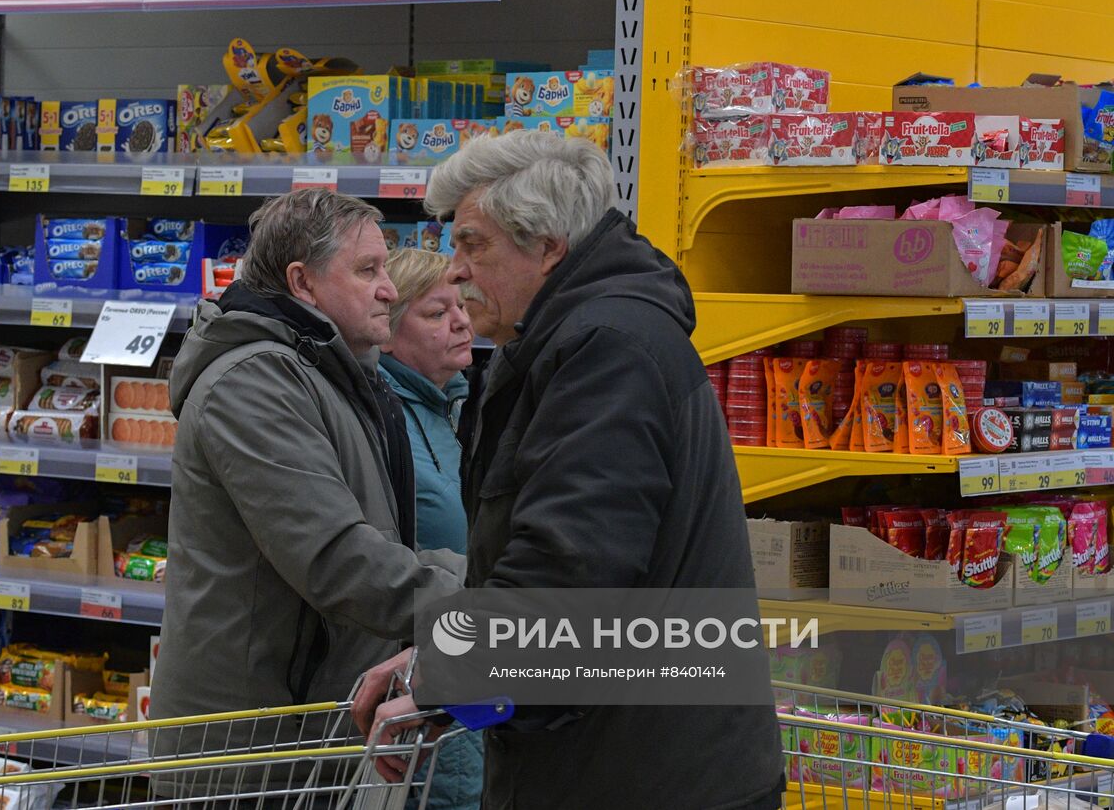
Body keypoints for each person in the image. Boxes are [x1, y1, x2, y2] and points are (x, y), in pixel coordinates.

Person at [353, 131, 785, 810]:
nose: (457, 270)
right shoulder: (585, 340)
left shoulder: (604, 353)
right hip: (624, 758)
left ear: (548, 245)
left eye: (474, 243)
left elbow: (569, 571)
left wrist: (441, 669)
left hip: (644, 776)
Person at [152, 189, 465, 794]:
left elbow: (381, 543)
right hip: (245, 759)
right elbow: (335, 557)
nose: (390, 289)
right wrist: (485, 610)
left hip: (310, 739)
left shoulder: (336, 375)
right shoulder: (252, 383)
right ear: (303, 282)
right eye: (368, 270)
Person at [376, 248, 482, 810]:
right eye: (437, 313)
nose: (462, 320)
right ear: (389, 335)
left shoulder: (458, 408)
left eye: (461, 306)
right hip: (420, 678)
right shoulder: (382, 420)